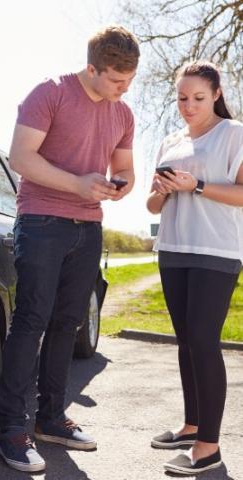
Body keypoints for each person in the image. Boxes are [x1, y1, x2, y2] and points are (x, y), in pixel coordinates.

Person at [0, 25, 140, 472]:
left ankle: (51, 419)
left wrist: (121, 187)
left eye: (129, 82)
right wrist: (78, 183)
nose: (122, 90)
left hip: (89, 226)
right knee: (32, 319)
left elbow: (126, 168)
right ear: (92, 68)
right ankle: (11, 430)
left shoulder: (122, 113)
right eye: (116, 81)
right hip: (42, 221)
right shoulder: (50, 93)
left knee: (68, 322)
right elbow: (21, 158)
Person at [147, 60, 243, 475]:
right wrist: (165, 192)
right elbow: (151, 204)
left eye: (198, 98)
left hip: (216, 251)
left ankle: (209, 447)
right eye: (182, 98)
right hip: (172, 249)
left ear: (216, 94)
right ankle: (192, 425)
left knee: (204, 341)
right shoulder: (170, 140)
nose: (189, 105)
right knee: (186, 342)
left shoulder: (234, 135)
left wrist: (197, 186)